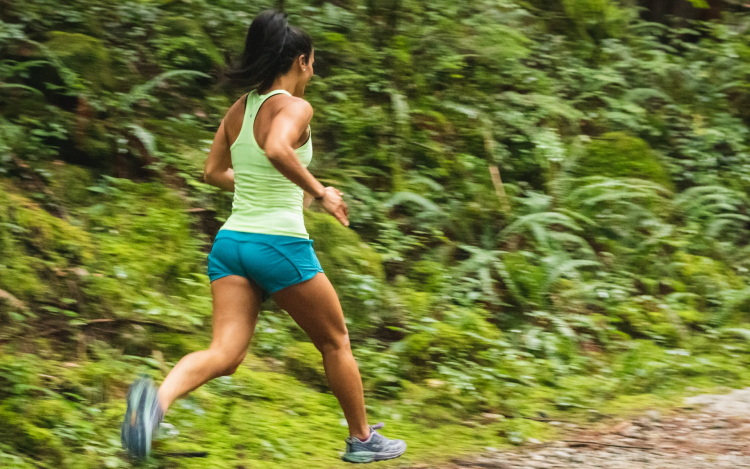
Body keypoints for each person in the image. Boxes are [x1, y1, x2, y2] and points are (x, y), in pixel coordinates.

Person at [120, 9, 407, 464]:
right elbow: (276, 147)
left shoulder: (240, 108)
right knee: (336, 342)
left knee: (225, 353)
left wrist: (265, 184)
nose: (313, 71)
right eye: (312, 62)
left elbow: (212, 172)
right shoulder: (295, 106)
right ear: (299, 61)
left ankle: (153, 406)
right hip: (278, 243)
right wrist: (321, 192)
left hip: (231, 244)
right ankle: (363, 439)